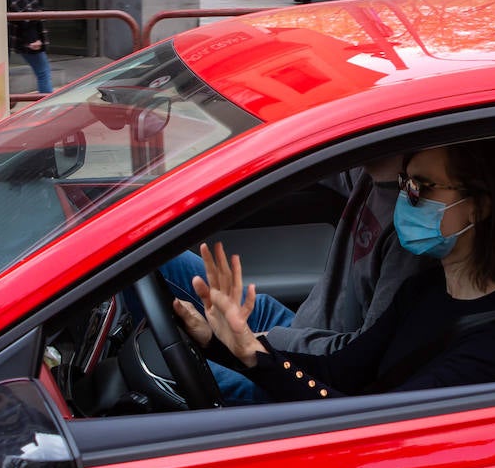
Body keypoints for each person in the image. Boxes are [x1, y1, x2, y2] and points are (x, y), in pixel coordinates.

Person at [177, 138, 495, 401]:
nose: (405, 199)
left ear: (480, 205)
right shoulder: (428, 287)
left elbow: (367, 421)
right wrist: (227, 345)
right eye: (405, 184)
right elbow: (344, 370)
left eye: (421, 188)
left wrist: (253, 354)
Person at [160, 155, 424, 401]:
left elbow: (358, 362)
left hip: (311, 364)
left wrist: (255, 342)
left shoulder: (412, 235)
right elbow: (301, 151)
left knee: (164, 374)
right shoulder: (370, 174)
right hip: (291, 326)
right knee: (158, 259)